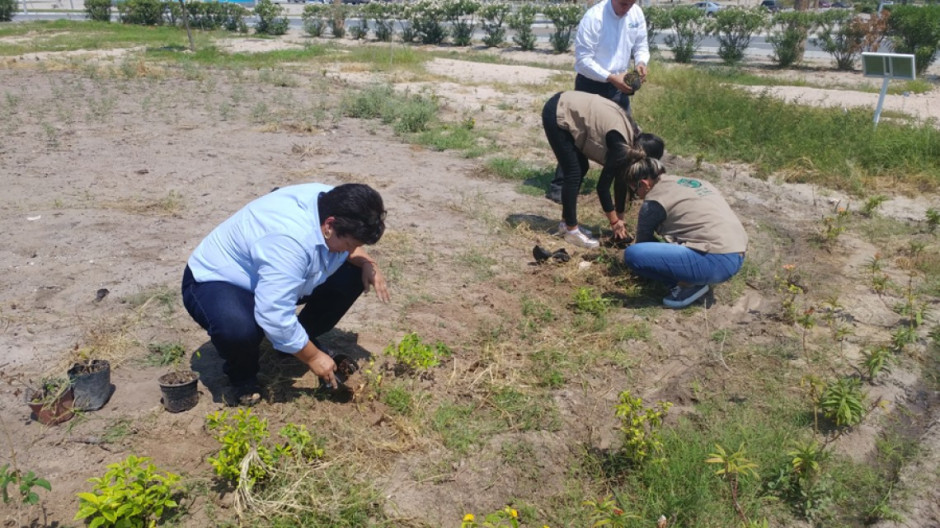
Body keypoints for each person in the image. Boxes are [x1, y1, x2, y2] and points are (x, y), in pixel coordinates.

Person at [181, 183, 389, 405]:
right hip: (221, 280)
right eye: (349, 244)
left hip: (277, 275)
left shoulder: (335, 201)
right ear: (329, 225)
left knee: (354, 272)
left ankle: (295, 344)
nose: (351, 250)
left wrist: (367, 261)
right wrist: (313, 356)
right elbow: (273, 314)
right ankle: (243, 377)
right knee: (238, 329)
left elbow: (351, 246)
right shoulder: (289, 240)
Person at [546, 0, 650, 203]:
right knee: (577, 136)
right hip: (591, 84)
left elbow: (641, 45)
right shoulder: (594, 17)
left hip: (620, 86)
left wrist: (641, 62)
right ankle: (560, 187)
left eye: (631, 4)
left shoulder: (636, 13)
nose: (626, 8)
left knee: (626, 139)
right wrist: (610, 78)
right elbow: (583, 61)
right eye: (623, 4)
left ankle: (629, 187)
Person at [542, 91, 664, 249]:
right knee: (574, 171)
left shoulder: (633, 138)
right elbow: (602, 187)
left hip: (570, 105)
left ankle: (566, 223)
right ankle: (571, 231)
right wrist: (614, 222)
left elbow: (620, 179)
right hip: (559, 111)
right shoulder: (622, 146)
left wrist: (620, 217)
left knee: (580, 167)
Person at [623, 159, 748, 309]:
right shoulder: (693, 182)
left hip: (717, 261)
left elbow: (642, 243)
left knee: (633, 255)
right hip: (738, 251)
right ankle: (696, 275)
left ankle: (688, 286)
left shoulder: (653, 203)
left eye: (635, 190)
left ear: (644, 184)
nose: (638, 196)